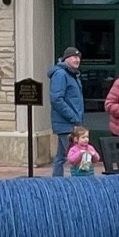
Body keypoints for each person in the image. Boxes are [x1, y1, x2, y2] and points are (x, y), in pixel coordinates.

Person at [48, 47, 84, 177]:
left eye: (78, 57)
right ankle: (79, 182)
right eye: (73, 57)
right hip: (67, 123)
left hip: (71, 123)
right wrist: (73, 117)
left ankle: (56, 181)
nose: (77, 60)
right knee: (77, 156)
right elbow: (56, 99)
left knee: (60, 156)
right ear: (66, 59)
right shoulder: (61, 74)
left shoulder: (72, 75)